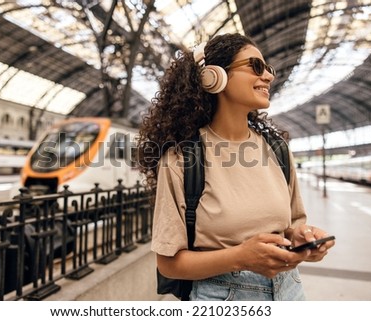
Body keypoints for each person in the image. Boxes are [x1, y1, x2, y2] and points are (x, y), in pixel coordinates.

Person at [136, 33, 335, 301]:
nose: (268, 76)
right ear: (214, 76)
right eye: (255, 66)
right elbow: (169, 264)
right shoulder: (181, 159)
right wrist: (240, 258)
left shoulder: (277, 150)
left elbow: (291, 227)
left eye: (268, 69)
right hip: (221, 297)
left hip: (290, 291)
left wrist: (302, 239)